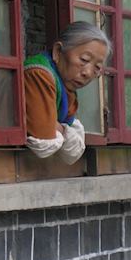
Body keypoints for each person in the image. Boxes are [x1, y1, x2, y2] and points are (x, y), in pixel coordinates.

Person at [23, 21, 110, 164]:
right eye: (84, 60)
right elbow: (44, 141)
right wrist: (63, 130)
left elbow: (74, 152)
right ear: (58, 52)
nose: (88, 73)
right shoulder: (39, 75)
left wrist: (57, 126)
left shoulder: (67, 88)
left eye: (97, 68)